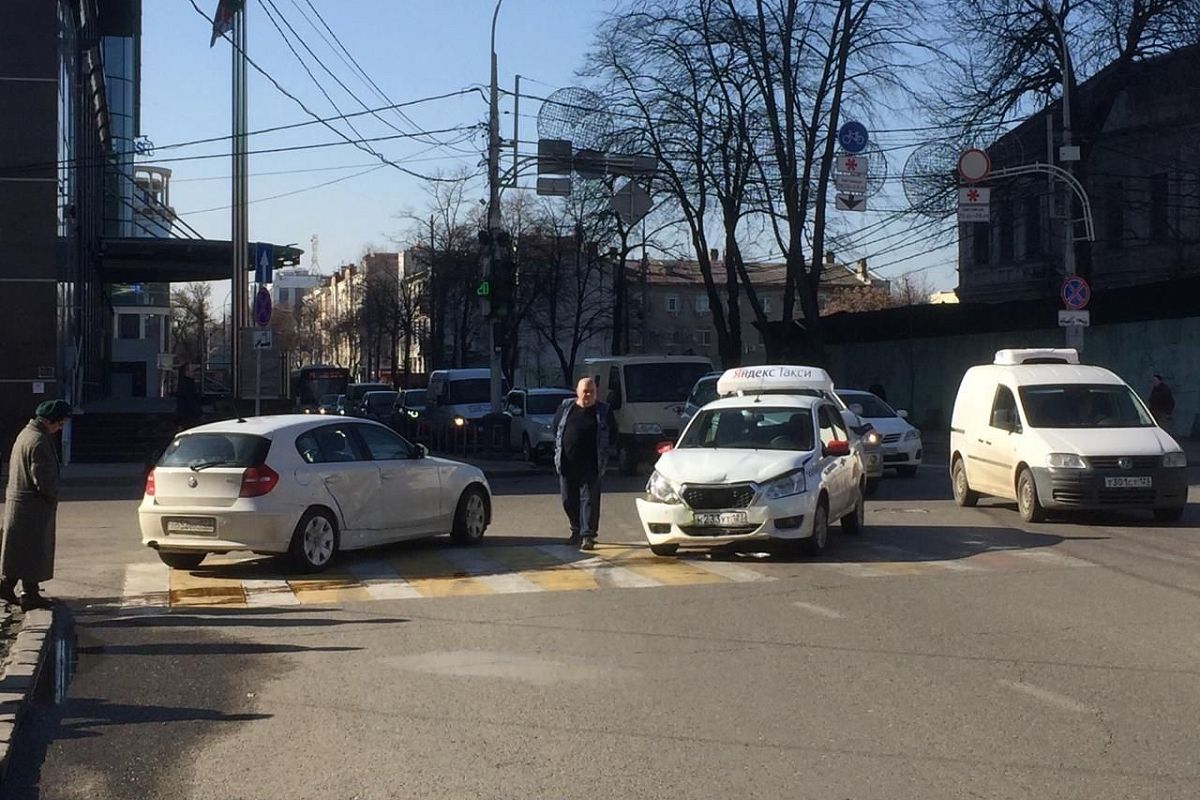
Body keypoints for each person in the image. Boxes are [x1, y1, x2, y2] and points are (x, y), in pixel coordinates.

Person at [1, 399, 72, 610]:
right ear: (50, 421)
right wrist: (51, 496)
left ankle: (8, 587)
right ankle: (29, 594)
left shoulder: (26, 434)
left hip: (20, 502)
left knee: (19, 549)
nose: (60, 429)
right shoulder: (39, 441)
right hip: (33, 505)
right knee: (33, 550)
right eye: (60, 424)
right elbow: (43, 477)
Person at [552, 377, 616, 551]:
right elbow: (555, 428)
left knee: (589, 499)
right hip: (567, 462)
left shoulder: (603, 411)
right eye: (585, 391)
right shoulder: (566, 408)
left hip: (592, 463)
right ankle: (576, 530)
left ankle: (588, 535)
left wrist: (604, 452)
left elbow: (613, 433)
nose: (588, 394)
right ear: (577, 391)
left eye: (591, 391)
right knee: (567, 499)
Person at [175, 364, 203, 431]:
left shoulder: (185, 383)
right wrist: (198, 413)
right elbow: (191, 400)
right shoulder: (187, 385)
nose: (194, 373)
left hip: (185, 413)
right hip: (188, 414)